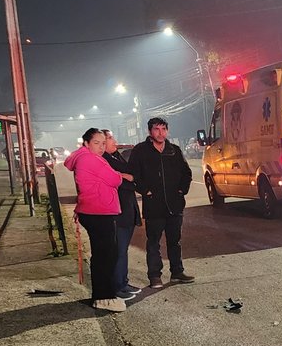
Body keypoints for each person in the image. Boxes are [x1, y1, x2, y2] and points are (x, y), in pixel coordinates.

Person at [63, 128, 125, 312]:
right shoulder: (90, 159)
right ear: (86, 144)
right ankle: (104, 297)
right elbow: (115, 179)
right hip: (99, 212)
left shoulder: (84, 157)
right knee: (106, 255)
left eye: (103, 143)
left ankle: (103, 295)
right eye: (96, 143)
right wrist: (117, 175)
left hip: (95, 210)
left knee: (103, 254)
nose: (101, 147)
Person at [130, 117, 193, 288]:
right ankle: (154, 276)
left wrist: (181, 190)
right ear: (150, 131)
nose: (161, 133)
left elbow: (186, 173)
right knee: (153, 242)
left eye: (164, 129)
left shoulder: (174, 150)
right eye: (157, 129)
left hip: (174, 205)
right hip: (154, 205)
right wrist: (146, 191)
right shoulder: (140, 151)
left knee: (175, 241)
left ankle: (177, 272)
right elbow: (134, 175)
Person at [101, 129, 141, 300]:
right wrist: (128, 179)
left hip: (128, 210)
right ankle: (117, 286)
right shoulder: (104, 161)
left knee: (123, 250)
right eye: (109, 138)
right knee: (118, 251)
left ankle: (123, 282)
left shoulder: (117, 157)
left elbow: (134, 177)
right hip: (117, 212)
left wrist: (129, 177)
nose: (114, 141)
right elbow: (117, 183)